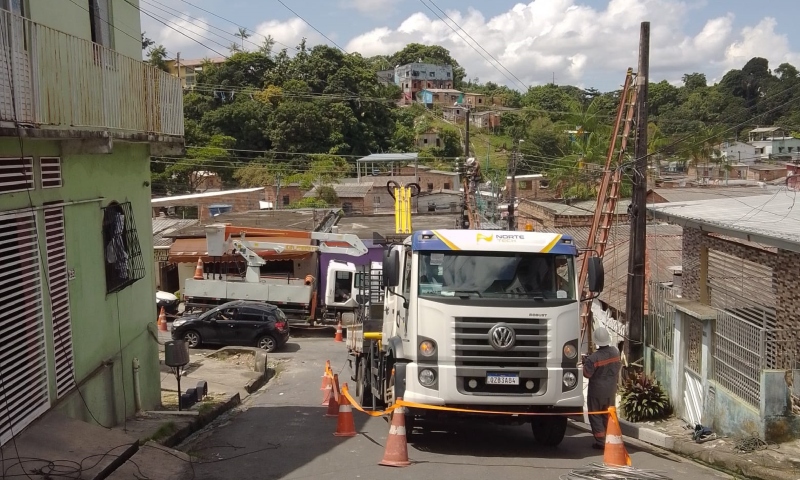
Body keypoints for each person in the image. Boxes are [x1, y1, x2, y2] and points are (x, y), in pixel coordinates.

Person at [582, 327, 621, 450]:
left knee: (595, 415)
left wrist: (585, 363)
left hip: (596, 392)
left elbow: (587, 374)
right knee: (607, 415)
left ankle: (601, 442)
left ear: (596, 341)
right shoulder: (615, 352)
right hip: (611, 390)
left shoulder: (594, 358)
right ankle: (610, 438)